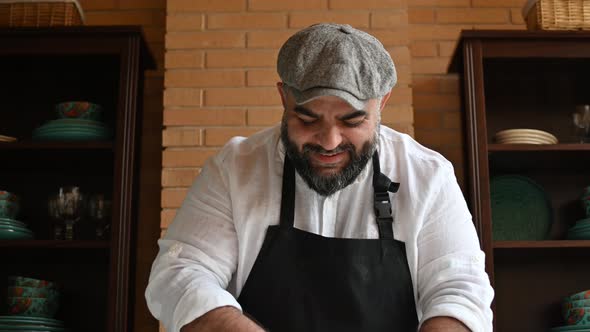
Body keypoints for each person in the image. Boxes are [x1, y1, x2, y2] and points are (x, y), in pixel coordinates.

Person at [145, 23, 494, 332]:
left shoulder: (428, 175)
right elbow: (182, 272)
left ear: (382, 103)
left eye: (352, 121)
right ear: (284, 97)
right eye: (308, 120)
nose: (330, 142)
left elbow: (460, 289)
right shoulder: (235, 168)